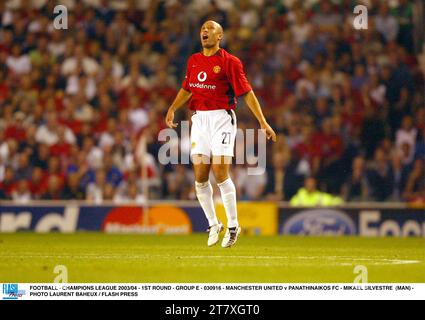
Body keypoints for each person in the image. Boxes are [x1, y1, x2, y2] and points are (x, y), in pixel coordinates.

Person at [165, 21, 276, 248]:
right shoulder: (193, 61)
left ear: (220, 36)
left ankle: (233, 225)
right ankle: (214, 223)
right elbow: (187, 88)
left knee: (220, 171)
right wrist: (172, 108)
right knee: (200, 175)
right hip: (199, 120)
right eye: (202, 29)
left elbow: (247, 93)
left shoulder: (230, 62)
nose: (204, 31)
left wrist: (263, 122)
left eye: (210, 29)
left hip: (222, 119)